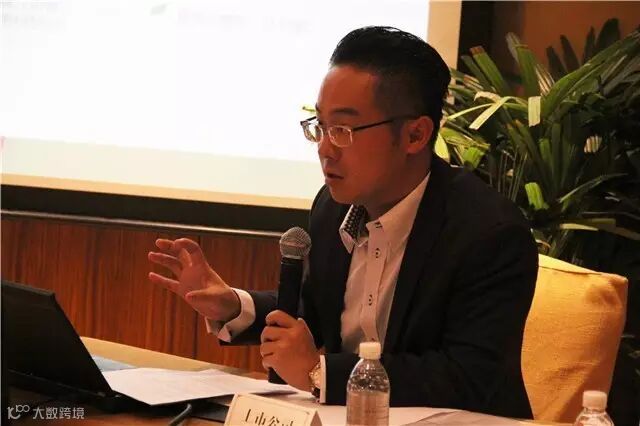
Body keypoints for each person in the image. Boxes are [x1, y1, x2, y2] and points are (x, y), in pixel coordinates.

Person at [148, 26, 537, 418]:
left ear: (415, 135)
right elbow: (314, 313)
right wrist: (233, 306)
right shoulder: (333, 207)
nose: (325, 148)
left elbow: (468, 376)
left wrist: (321, 374)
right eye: (320, 125)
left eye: (343, 130)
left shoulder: (489, 233)